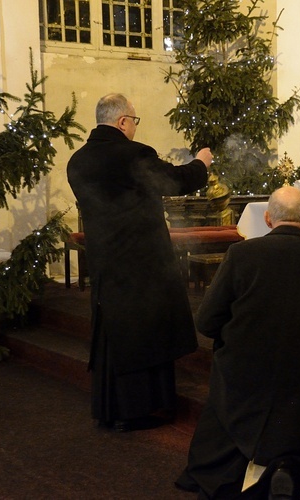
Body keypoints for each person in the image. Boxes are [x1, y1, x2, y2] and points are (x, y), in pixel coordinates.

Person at [176, 186, 300, 499]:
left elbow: (206, 321)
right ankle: (287, 467)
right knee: (296, 410)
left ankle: (239, 472)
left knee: (225, 432)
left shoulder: (241, 255)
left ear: (267, 218)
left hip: (242, 382)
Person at [67, 93, 212, 432]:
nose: (134, 127)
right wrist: (201, 163)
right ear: (122, 121)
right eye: (134, 120)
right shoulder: (132, 154)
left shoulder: (78, 160)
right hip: (141, 260)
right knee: (144, 334)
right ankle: (138, 409)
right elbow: (174, 181)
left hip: (104, 259)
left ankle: (111, 408)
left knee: (114, 336)